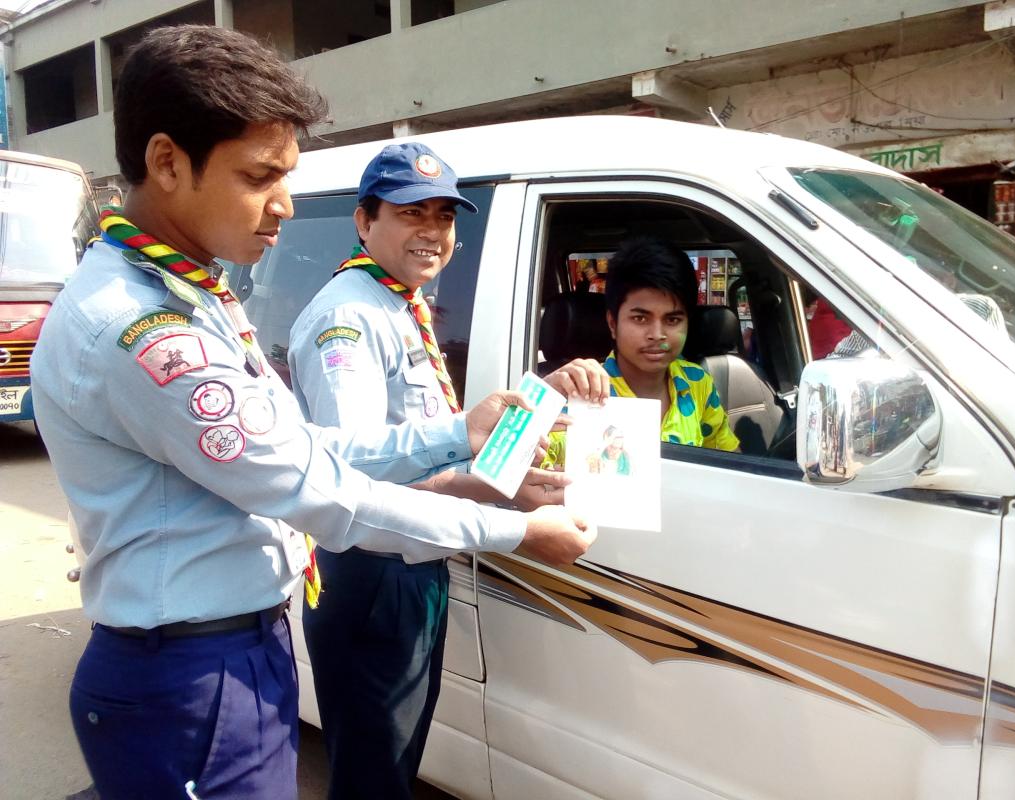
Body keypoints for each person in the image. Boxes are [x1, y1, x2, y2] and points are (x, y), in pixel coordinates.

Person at [29, 26, 594, 800]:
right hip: (193, 679)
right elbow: (321, 493)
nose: (286, 205)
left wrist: (457, 433)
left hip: (225, 653)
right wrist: (516, 530)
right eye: (259, 175)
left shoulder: (185, 296)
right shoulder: (141, 330)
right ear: (166, 162)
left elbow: (302, 447)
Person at [287, 142, 568, 799]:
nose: (432, 232)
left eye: (443, 217)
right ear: (364, 221)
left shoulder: (400, 306)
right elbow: (352, 464)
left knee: (394, 760)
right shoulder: (347, 318)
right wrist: (467, 432)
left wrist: (513, 472)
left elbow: (417, 461)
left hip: (413, 570)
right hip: (372, 574)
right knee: (372, 777)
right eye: (412, 213)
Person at [544, 236, 740, 461]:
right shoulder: (582, 392)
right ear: (612, 324)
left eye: (673, 320)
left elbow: (729, 460)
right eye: (640, 318)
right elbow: (518, 470)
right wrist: (542, 403)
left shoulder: (698, 383)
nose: (657, 335)